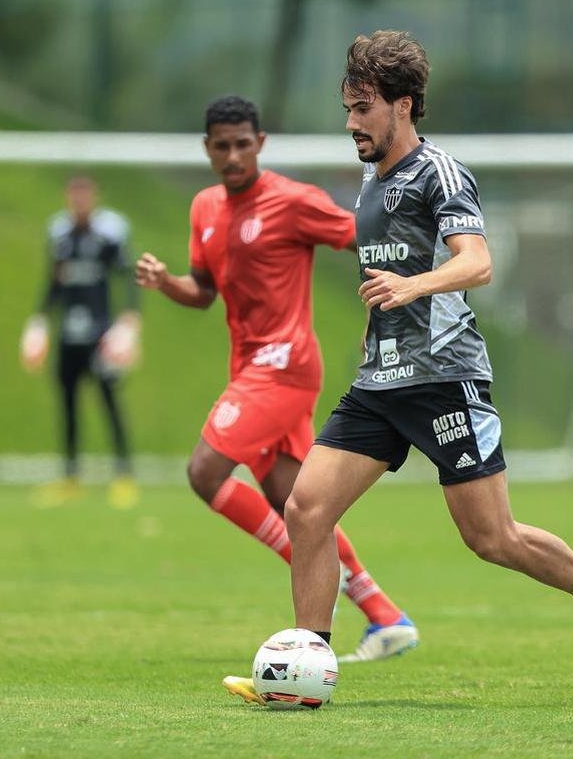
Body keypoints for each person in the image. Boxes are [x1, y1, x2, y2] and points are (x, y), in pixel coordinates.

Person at [279, 31, 573, 695]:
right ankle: (309, 671)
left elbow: (477, 262)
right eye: (348, 107)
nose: (351, 123)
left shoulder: (439, 173)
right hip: (382, 381)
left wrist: (412, 288)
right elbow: (382, 270)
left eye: (363, 107)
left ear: (404, 105)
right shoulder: (371, 182)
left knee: (491, 537)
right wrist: (375, 326)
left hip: (445, 378)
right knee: (307, 510)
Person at [135, 96, 420, 697]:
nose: (233, 154)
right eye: (221, 144)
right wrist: (166, 284)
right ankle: (386, 615)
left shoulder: (291, 201)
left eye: (243, 143)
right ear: (208, 149)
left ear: (260, 144)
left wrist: (392, 302)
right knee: (295, 501)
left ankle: (311, 589)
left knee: (204, 471)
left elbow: (365, 237)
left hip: (285, 366)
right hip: (250, 367)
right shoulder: (205, 207)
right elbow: (204, 291)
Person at [21, 175, 141, 510]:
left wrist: (129, 319)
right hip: (68, 336)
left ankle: (123, 475)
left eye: (85, 195)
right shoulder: (59, 235)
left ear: (94, 197)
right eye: (74, 195)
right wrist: (39, 320)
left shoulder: (109, 235)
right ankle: (71, 477)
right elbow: (54, 282)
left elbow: (126, 277)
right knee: (68, 403)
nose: (79, 201)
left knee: (109, 402)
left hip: (100, 336)